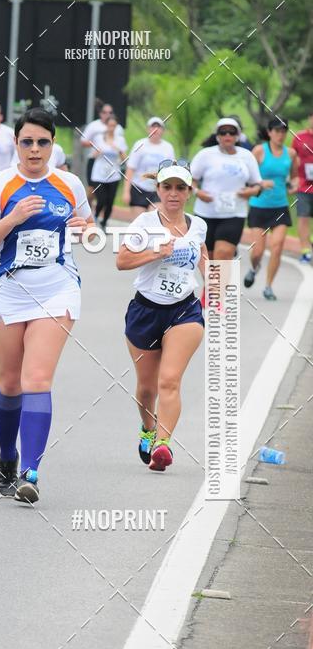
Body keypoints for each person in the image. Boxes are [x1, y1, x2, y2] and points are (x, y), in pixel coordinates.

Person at [0, 107, 92, 503]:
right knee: (9, 382)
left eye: (43, 142)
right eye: (27, 142)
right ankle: (8, 458)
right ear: (16, 144)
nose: (35, 149)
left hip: (56, 289)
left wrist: (89, 231)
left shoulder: (69, 184)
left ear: (53, 144)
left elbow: (89, 232)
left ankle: (31, 473)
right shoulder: (1, 185)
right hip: (8, 290)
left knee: (36, 379)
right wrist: (13, 218)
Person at [117, 160, 207, 472]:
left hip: (185, 311)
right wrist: (157, 252)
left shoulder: (198, 225)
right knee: (147, 388)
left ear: (189, 192)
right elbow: (122, 261)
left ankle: (163, 446)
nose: (173, 194)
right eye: (167, 187)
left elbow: (203, 257)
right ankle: (148, 428)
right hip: (145, 311)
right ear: (158, 190)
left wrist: (219, 290)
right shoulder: (144, 224)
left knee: (170, 380)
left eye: (180, 188)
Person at [190, 118, 265, 260]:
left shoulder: (246, 156)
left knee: (223, 254)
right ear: (217, 136)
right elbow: (189, 179)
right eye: (223, 133)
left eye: (231, 132)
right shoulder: (205, 154)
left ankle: (221, 280)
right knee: (208, 259)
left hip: (234, 213)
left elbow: (258, 184)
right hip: (206, 213)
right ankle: (214, 283)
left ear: (238, 136)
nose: (227, 136)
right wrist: (197, 192)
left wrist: (251, 191)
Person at [244, 118, 297, 300]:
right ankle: (253, 268)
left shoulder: (290, 154)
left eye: (283, 131)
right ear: (269, 132)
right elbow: (247, 176)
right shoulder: (259, 151)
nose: (280, 135)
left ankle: (268, 286)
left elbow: (294, 176)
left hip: (280, 206)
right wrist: (260, 183)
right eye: (277, 131)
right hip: (259, 206)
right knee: (258, 251)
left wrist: (294, 185)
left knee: (277, 246)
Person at [122, 117, 175, 216]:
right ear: (148, 129)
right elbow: (130, 169)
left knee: (154, 220)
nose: (156, 130)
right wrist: (126, 191)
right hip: (139, 188)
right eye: (153, 127)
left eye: (159, 127)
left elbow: (170, 171)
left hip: (158, 189)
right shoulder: (140, 144)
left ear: (163, 131)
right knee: (139, 223)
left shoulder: (168, 148)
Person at [90, 114, 127, 229]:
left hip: (113, 174)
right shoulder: (99, 138)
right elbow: (93, 156)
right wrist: (98, 151)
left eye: (114, 126)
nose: (112, 128)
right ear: (106, 126)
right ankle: (95, 216)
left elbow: (124, 159)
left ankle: (104, 222)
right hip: (99, 174)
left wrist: (118, 149)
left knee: (110, 201)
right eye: (110, 125)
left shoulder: (120, 140)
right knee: (101, 199)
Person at [81, 103, 126, 196]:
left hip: (112, 162)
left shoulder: (118, 128)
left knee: (108, 192)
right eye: (104, 112)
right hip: (95, 159)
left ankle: (103, 207)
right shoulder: (94, 125)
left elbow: (121, 145)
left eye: (110, 112)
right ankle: (90, 207)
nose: (107, 114)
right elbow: (83, 141)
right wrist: (98, 145)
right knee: (91, 189)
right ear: (100, 113)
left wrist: (114, 147)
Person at [291, 109, 313, 263]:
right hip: (304, 186)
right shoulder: (300, 137)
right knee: (303, 218)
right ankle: (306, 252)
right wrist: (293, 178)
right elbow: (293, 159)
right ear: (309, 119)